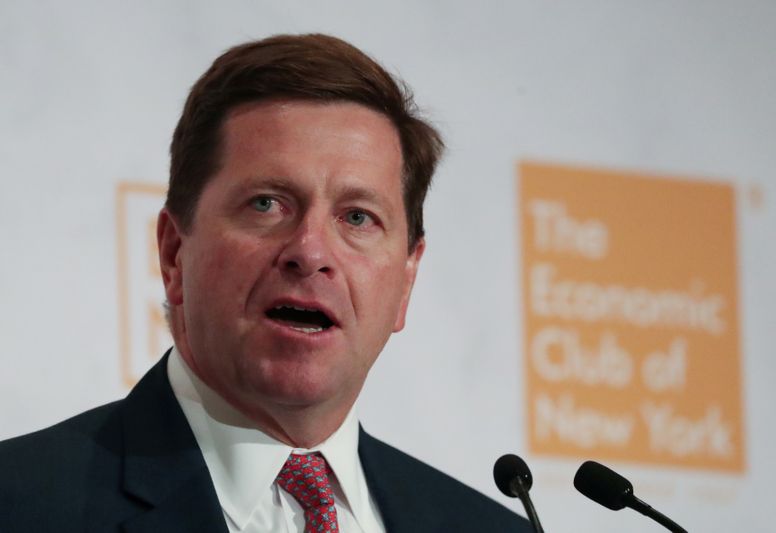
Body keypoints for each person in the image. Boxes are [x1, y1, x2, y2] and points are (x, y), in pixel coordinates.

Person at [0, 34, 529, 532]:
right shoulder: (22, 502)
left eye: (358, 217)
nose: (311, 252)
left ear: (406, 280)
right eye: (267, 204)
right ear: (174, 252)